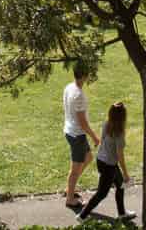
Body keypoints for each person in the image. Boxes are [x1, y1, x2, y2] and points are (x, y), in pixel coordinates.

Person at [78, 101, 130, 222]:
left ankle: (122, 214)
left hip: (101, 160)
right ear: (123, 117)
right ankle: (82, 216)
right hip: (109, 166)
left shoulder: (106, 123)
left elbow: (102, 140)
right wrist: (126, 174)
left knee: (120, 185)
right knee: (102, 193)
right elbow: (120, 156)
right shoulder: (119, 133)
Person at [63, 64, 98, 209]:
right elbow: (83, 123)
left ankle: (69, 188)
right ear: (84, 76)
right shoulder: (79, 95)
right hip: (77, 134)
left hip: (71, 131)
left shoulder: (69, 87)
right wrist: (95, 137)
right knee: (75, 169)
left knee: (88, 158)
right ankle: (70, 199)